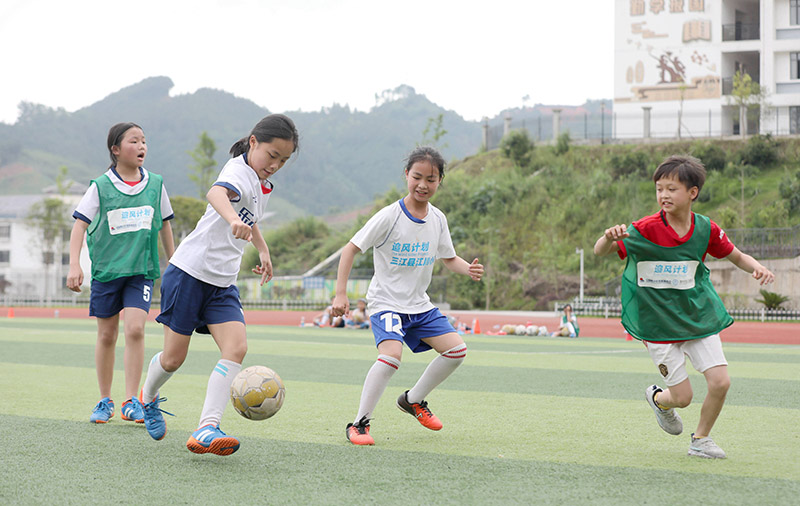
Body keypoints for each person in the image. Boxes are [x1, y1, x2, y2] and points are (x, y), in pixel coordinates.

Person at [594, 154, 775, 459]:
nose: (663, 195)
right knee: (683, 397)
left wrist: (758, 268)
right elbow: (603, 251)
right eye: (659, 189)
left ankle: (701, 440)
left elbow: (736, 255)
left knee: (720, 382)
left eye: (671, 189)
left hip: (697, 317)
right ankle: (659, 400)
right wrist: (607, 237)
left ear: (693, 192)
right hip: (657, 324)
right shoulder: (645, 228)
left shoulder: (705, 228)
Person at [139, 114, 299, 456]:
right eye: (272, 155)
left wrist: (263, 248)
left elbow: (250, 218)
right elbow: (217, 193)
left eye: (284, 160)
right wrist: (230, 219)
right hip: (189, 272)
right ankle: (147, 397)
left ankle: (206, 428)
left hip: (222, 283)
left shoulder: (262, 184)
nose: (276, 165)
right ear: (253, 142)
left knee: (236, 347)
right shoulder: (238, 170)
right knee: (172, 359)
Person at [331, 146, 484, 446]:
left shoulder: (438, 219)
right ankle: (359, 424)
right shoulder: (388, 217)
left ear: (440, 181)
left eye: (431, 178)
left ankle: (413, 400)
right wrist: (340, 294)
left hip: (419, 305)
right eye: (417, 177)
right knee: (391, 357)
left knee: (456, 351)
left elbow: (449, 257)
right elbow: (350, 248)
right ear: (406, 175)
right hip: (386, 302)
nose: (423, 185)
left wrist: (468, 270)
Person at [67, 122, 176, 424]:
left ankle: (132, 400)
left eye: (144, 141)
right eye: (134, 141)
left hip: (141, 271)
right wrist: (75, 264)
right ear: (115, 149)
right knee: (106, 335)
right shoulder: (100, 186)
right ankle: (105, 400)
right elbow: (79, 225)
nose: (141, 146)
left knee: (136, 329)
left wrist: (174, 263)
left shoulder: (155, 184)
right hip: (107, 272)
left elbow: (166, 224)